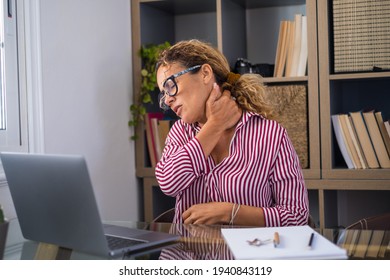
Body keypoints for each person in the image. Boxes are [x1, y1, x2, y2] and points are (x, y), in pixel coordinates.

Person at [155, 39, 309, 227]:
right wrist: (215, 125)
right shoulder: (180, 132)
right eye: (163, 93)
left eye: (171, 85)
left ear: (205, 73)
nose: (168, 100)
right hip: (190, 254)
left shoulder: (271, 135)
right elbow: (169, 183)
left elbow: (296, 216)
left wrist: (230, 212)